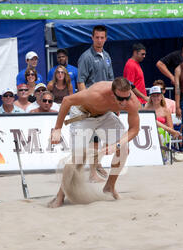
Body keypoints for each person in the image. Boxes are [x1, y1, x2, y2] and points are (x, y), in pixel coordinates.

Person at [48, 77, 140, 208]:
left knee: (124, 149)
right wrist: (57, 129)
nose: (124, 102)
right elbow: (66, 100)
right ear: (112, 94)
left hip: (105, 115)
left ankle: (109, 186)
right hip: (82, 114)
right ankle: (61, 194)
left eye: (127, 97)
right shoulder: (95, 94)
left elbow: (134, 129)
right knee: (78, 159)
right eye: (120, 99)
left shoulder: (132, 102)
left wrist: (116, 145)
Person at [77, 25, 114, 182]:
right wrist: (88, 102)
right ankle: (92, 172)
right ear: (92, 38)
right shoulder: (86, 57)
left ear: (105, 39)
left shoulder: (106, 56)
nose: (99, 40)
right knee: (92, 139)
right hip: (91, 104)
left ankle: (96, 165)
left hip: (105, 104)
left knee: (100, 138)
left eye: (102, 37)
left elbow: (111, 82)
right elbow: (80, 82)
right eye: (97, 37)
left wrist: (114, 103)